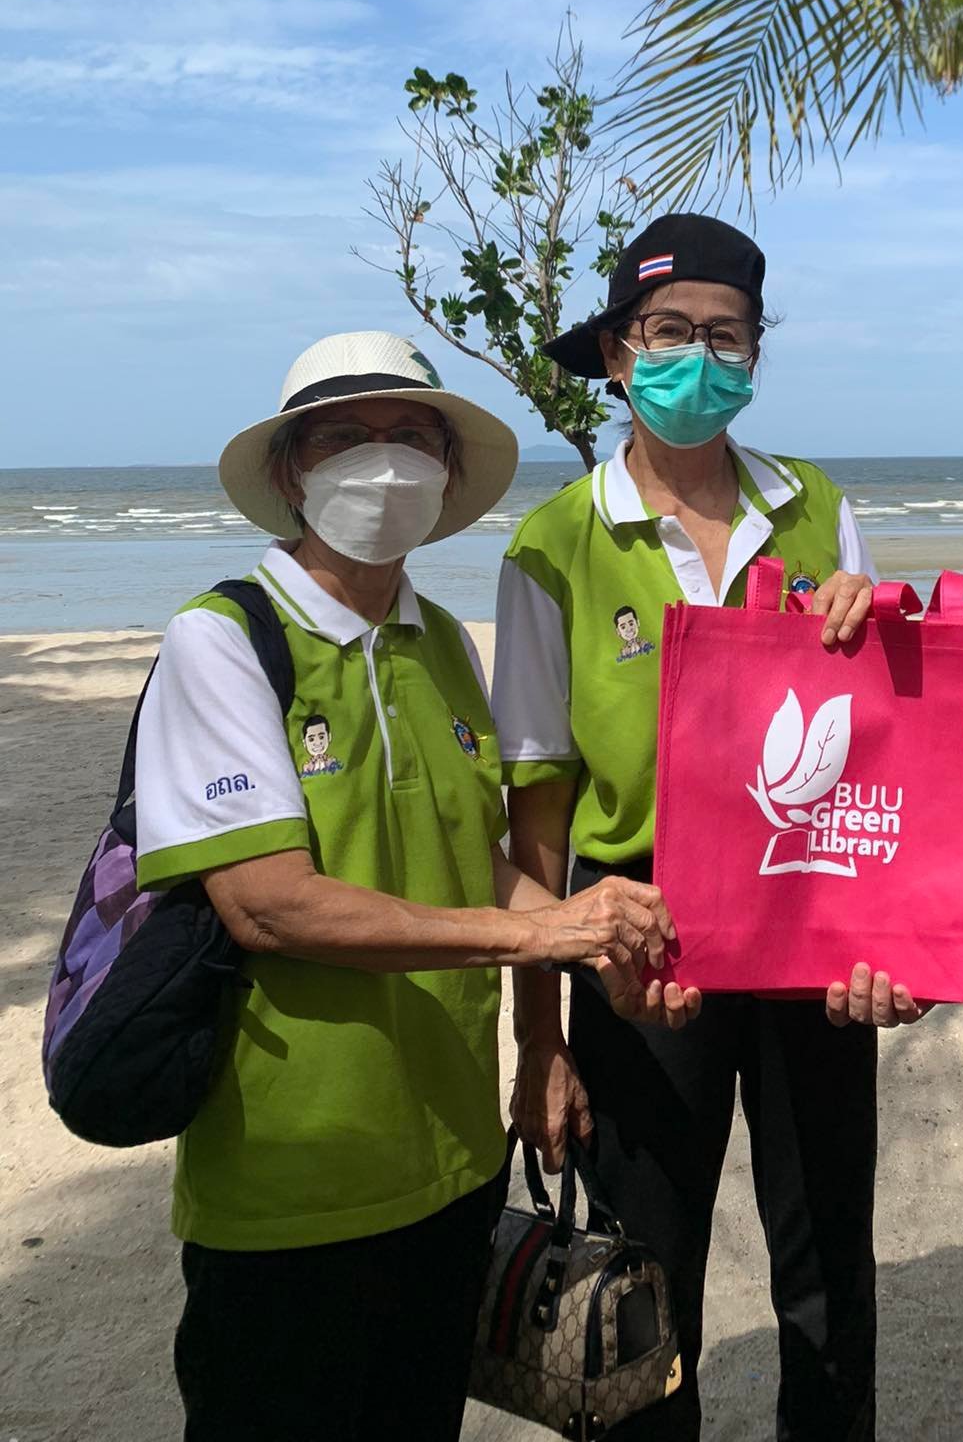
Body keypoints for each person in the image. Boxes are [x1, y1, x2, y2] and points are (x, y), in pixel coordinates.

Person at [133, 330, 689, 1442]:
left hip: (452, 1163)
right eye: (344, 436)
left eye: (410, 437)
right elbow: (269, 901)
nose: (381, 461)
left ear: (446, 469)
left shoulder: (443, 645)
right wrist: (537, 936)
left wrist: (596, 939)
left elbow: (475, 859)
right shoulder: (224, 639)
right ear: (291, 469)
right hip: (291, 1176)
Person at [494, 213, 881, 1441]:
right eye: (670, 332)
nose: (699, 357)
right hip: (638, 945)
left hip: (810, 919)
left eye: (728, 334)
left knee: (830, 1257)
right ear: (619, 351)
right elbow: (538, 817)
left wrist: (878, 621)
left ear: (757, 351)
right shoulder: (554, 547)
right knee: (645, 1271)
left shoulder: (812, 503)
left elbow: (877, 741)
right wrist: (541, 1039)